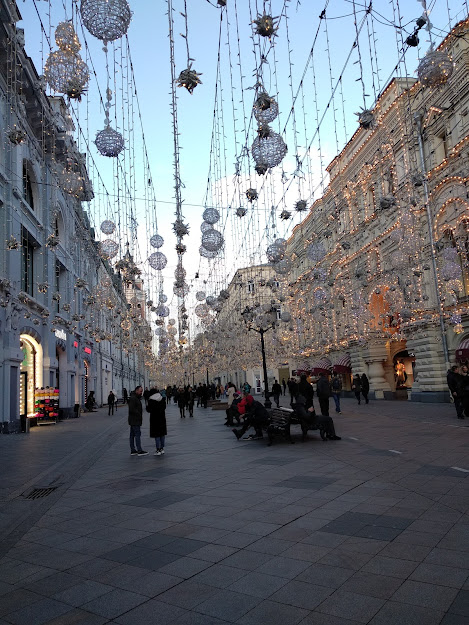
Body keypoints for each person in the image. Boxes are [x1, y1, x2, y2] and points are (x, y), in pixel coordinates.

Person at [128, 386, 148, 456]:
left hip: (133, 420)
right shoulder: (133, 398)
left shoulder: (135, 397)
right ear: (136, 391)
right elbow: (132, 409)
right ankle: (139, 450)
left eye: (142, 391)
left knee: (132, 435)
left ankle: (133, 450)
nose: (141, 393)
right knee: (137, 435)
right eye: (140, 391)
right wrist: (139, 414)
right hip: (135, 420)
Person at [147, 388, 167, 455]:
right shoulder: (162, 399)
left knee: (157, 435)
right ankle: (162, 448)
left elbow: (149, 410)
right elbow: (164, 407)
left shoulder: (151, 400)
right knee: (162, 434)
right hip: (162, 419)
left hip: (154, 419)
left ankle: (158, 449)